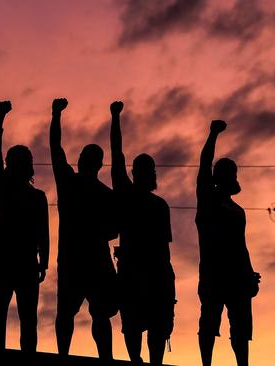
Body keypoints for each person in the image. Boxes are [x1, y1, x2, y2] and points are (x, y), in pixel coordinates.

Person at [49, 98, 118, 360]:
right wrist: (56, 115)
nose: (80, 160)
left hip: (78, 260)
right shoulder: (97, 191)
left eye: (83, 157)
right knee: (88, 313)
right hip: (88, 260)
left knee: (76, 312)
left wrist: (56, 115)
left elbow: (55, 148)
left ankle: (70, 356)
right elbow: (114, 230)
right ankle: (102, 358)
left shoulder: (71, 183)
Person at [109, 101, 175, 365]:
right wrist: (115, 118)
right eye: (144, 170)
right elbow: (116, 154)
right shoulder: (126, 194)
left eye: (152, 170)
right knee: (133, 323)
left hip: (158, 271)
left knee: (158, 324)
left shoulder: (161, 205)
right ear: (136, 174)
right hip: (133, 270)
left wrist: (168, 276)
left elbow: (165, 246)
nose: (150, 174)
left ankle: (153, 362)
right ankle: (136, 360)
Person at [0, 100, 49, 352]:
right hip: (14, 261)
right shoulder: (9, 188)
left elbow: (43, 232)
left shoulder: (11, 189)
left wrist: (43, 262)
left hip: (16, 262)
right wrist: (43, 262)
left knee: (9, 318)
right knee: (18, 319)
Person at [196, 120, 260, 366]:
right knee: (210, 322)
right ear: (218, 178)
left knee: (241, 328)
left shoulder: (238, 210)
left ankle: (243, 364)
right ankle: (206, 365)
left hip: (238, 276)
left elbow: (241, 246)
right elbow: (204, 163)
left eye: (232, 173)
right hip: (213, 273)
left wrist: (250, 274)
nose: (229, 177)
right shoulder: (207, 199)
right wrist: (213, 134)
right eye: (225, 173)